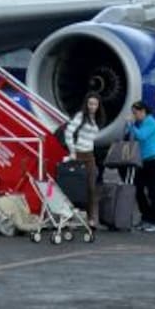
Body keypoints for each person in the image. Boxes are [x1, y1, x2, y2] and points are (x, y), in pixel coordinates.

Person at [65, 92, 104, 229]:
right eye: (90, 104)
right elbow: (68, 132)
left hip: (90, 155)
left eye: (95, 104)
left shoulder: (97, 119)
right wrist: (72, 151)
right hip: (79, 154)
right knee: (76, 187)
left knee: (91, 187)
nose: (92, 107)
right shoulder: (81, 116)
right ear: (86, 104)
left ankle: (91, 218)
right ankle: (70, 217)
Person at [125, 101, 155, 232]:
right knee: (138, 189)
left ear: (143, 111)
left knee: (152, 191)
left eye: (135, 113)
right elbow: (129, 135)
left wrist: (131, 124)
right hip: (145, 161)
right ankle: (146, 218)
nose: (134, 115)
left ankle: (154, 221)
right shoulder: (141, 123)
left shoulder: (150, 122)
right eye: (133, 113)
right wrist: (129, 126)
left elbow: (141, 136)